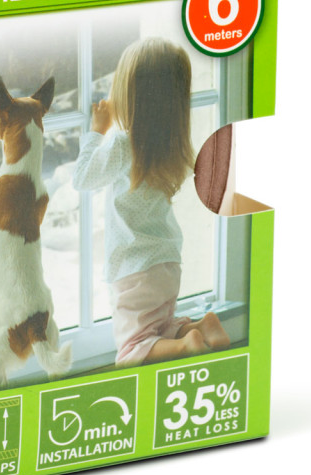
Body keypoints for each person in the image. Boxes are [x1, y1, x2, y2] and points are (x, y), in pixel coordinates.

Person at [72, 38, 230, 364]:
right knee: (159, 328)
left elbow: (82, 178)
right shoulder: (171, 145)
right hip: (167, 261)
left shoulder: (122, 145)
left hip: (135, 269)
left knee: (131, 350)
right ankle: (200, 327)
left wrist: (97, 131)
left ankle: (187, 344)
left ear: (129, 95)